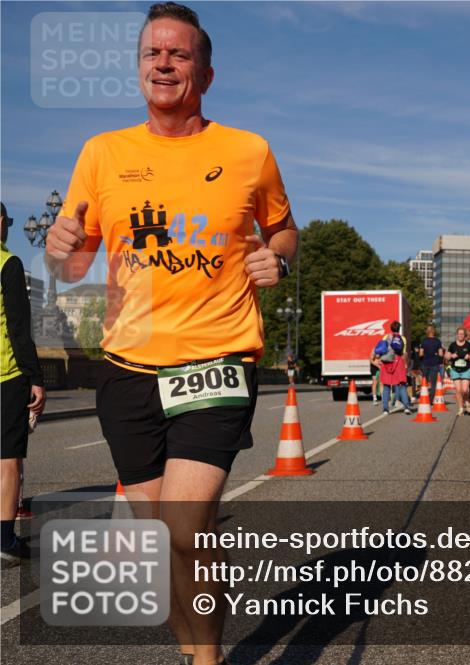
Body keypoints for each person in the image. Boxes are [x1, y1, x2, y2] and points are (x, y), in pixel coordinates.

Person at [43, 5, 298, 662]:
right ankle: (195, 648)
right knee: (160, 540)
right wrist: (61, 244)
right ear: (138, 69)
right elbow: (72, 264)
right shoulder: (103, 153)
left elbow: (284, 226)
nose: (163, 62)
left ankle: (209, 659)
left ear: (205, 72)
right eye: (152, 53)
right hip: (128, 365)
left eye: (178, 54)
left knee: (187, 526)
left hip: (216, 356)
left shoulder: (248, 151)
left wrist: (281, 257)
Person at [1, 202, 46, 567]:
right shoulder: (8, 264)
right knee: (7, 461)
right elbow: (18, 327)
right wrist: (36, 377)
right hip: (7, 375)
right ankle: (4, 539)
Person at [372, 322, 412, 415]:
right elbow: (404, 354)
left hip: (386, 363)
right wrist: (405, 365)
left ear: (391, 328)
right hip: (398, 362)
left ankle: (385, 409)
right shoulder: (402, 339)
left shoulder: (386, 337)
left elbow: (381, 350)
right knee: (402, 385)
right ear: (399, 328)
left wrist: (378, 359)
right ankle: (406, 407)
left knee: (386, 386)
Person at [445, 326, 470, 415]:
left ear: (464, 335)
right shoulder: (452, 345)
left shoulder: (468, 345)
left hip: (466, 370)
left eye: (462, 334)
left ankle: (467, 402)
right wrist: (451, 356)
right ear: (457, 335)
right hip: (455, 370)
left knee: (465, 389)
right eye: (459, 334)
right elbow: (446, 356)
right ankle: (460, 408)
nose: (460, 335)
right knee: (458, 390)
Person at [418, 324, 443, 399]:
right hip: (435, 363)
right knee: (433, 382)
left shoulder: (424, 341)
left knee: (424, 381)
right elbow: (441, 354)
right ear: (434, 332)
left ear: (427, 332)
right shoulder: (438, 341)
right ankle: (431, 399)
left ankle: (423, 397)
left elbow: (421, 354)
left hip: (425, 363)